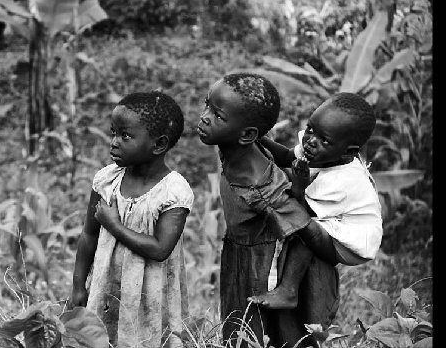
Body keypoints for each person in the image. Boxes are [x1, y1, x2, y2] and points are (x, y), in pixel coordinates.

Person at [197, 73, 339, 348]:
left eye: (217, 115)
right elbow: (285, 154)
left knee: (261, 333)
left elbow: (304, 227)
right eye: (207, 106)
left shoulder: (262, 186)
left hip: (261, 265)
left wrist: (289, 286)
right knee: (237, 326)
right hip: (239, 252)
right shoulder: (241, 143)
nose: (204, 117)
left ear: (247, 134)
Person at [69, 91, 194, 348]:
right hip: (108, 287)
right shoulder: (106, 181)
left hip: (152, 294)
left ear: (158, 145)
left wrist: (114, 225)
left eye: (125, 136)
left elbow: (160, 249)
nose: (113, 142)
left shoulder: (173, 192)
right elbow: (89, 234)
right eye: (113, 132)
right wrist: (79, 285)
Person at [250, 92, 382, 309]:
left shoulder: (344, 180)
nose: (311, 141)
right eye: (311, 129)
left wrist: (299, 186)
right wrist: (260, 138)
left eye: (324, 140)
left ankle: (288, 291)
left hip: (350, 242)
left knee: (306, 233)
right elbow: (285, 156)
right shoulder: (323, 147)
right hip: (333, 219)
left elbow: (301, 215)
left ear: (348, 152)